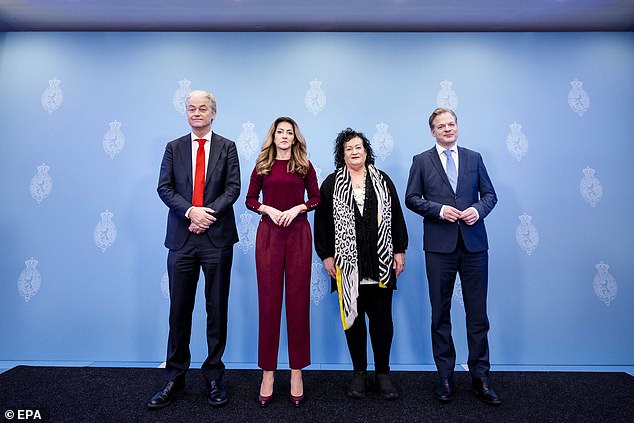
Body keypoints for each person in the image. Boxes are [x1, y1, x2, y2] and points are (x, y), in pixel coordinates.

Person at [148, 90, 241, 409]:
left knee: (216, 309)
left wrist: (207, 214)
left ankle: (214, 377)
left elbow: (233, 188)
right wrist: (191, 212)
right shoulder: (173, 148)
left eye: (203, 108)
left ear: (214, 113)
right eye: (191, 108)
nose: (197, 113)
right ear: (186, 113)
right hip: (182, 238)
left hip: (217, 238)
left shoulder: (227, 146)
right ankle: (174, 377)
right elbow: (164, 188)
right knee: (179, 310)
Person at [405, 108, 500, 405]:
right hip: (439, 248)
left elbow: (490, 195)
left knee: (478, 315)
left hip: (474, 246)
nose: (447, 129)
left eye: (451, 124)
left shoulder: (474, 158)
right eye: (441, 126)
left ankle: (480, 377)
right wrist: (439, 210)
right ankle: (445, 377)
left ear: (457, 127)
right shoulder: (421, 161)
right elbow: (411, 198)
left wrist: (478, 210)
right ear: (432, 131)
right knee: (440, 314)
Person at [314, 128, 408, 400]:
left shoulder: (383, 180)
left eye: (358, 147)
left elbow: (397, 218)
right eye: (348, 149)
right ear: (341, 155)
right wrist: (326, 255)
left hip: (380, 265)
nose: (354, 152)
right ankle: (359, 374)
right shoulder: (331, 184)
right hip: (347, 267)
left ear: (366, 151)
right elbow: (322, 224)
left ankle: (382, 374)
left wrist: (399, 250)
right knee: (353, 322)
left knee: (382, 322)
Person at [245, 117, 320, 408]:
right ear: (273, 136)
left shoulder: (304, 165)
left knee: (298, 304)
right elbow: (250, 199)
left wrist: (299, 207)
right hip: (269, 235)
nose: (285, 136)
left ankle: (297, 372)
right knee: (269, 303)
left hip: (299, 234)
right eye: (280, 132)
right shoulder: (263, 165)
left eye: (290, 132)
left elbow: (316, 198)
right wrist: (268, 209)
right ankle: (268, 373)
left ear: (295, 137)